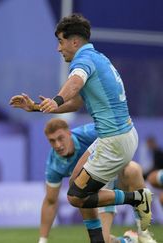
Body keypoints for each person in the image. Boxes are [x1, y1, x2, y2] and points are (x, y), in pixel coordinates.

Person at [9, 13, 152, 243]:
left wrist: (55, 99)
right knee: (76, 179)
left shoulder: (82, 60)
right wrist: (36, 107)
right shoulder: (98, 57)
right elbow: (76, 101)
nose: (58, 48)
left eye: (60, 41)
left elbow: (74, 83)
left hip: (113, 140)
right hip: (119, 133)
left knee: (76, 197)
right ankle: (110, 238)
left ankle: (136, 199)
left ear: (74, 42)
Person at [38, 118, 156, 243]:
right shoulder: (54, 164)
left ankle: (144, 233)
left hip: (115, 177)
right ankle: (128, 240)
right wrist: (42, 240)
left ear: (69, 133)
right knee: (102, 239)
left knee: (133, 169)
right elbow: (50, 201)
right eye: (52, 141)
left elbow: (119, 135)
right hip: (96, 194)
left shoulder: (88, 132)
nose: (58, 145)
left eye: (60, 138)